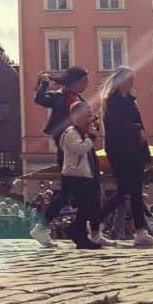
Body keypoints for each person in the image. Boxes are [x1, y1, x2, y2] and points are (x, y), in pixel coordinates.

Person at [98, 67, 153, 247]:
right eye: (128, 80)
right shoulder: (111, 101)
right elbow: (115, 127)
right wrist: (136, 129)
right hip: (119, 150)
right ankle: (96, 221)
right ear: (118, 81)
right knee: (125, 192)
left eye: (132, 80)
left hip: (134, 150)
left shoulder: (132, 101)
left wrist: (146, 155)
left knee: (134, 193)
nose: (130, 83)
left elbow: (142, 131)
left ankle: (140, 233)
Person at [34, 67, 91, 246]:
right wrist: (44, 83)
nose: (87, 84)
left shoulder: (79, 99)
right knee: (71, 192)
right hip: (66, 147)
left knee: (76, 192)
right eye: (84, 81)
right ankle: (44, 227)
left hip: (79, 146)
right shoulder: (59, 97)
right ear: (73, 82)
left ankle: (82, 230)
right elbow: (39, 99)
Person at [57, 102, 103, 249]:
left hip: (83, 174)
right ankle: (77, 233)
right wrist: (92, 137)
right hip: (75, 174)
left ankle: (79, 234)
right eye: (87, 115)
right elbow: (80, 149)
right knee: (86, 206)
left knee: (87, 207)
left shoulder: (80, 132)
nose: (90, 118)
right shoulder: (71, 132)